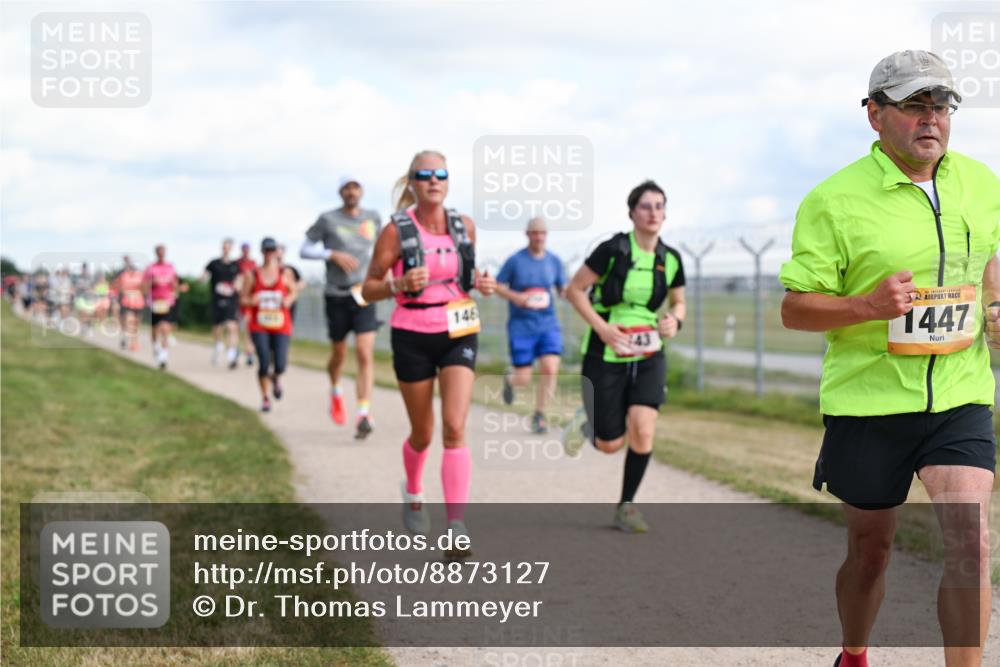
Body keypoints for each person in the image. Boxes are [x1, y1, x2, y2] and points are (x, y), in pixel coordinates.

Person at [779, 51, 1000, 667]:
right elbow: (795, 310)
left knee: (970, 540)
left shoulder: (982, 183)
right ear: (874, 114)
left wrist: (997, 303)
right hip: (869, 401)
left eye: (941, 105)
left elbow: (986, 253)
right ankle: (854, 651)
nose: (931, 118)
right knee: (871, 549)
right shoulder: (833, 201)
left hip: (960, 393)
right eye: (912, 105)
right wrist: (865, 306)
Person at [361, 150, 496, 556]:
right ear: (413, 182)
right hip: (412, 334)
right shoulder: (396, 231)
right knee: (424, 433)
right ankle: (414, 491)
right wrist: (397, 286)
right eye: (425, 175)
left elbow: (466, 279)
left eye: (441, 174)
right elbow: (367, 288)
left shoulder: (464, 226)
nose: (433, 180)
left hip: (459, 330)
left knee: (455, 426)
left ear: (448, 180)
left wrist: (482, 284)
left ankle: (456, 526)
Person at [563, 180, 686, 534]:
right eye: (646, 206)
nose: (653, 213)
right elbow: (574, 290)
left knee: (644, 430)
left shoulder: (671, 258)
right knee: (609, 444)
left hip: (649, 353)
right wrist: (603, 329)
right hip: (606, 350)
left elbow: (679, 302)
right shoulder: (612, 249)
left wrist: (674, 320)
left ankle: (627, 506)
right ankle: (587, 425)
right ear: (632, 212)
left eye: (659, 206)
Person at [301, 176, 382, 439]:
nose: (351, 192)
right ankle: (336, 389)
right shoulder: (327, 219)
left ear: (362, 191)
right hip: (336, 294)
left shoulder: (372, 218)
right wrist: (330, 254)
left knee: (364, 351)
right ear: (340, 192)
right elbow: (304, 249)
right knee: (339, 355)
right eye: (347, 187)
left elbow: (384, 249)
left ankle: (363, 413)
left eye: (356, 187)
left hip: (363, 293)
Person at [496, 217, 567, 433]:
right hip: (521, 326)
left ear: (547, 235)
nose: (539, 237)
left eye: (542, 233)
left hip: (547, 324)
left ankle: (539, 415)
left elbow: (563, 288)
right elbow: (498, 285)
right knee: (523, 378)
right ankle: (510, 380)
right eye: (535, 233)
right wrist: (515, 297)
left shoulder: (554, 261)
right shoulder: (515, 261)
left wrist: (572, 294)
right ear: (527, 235)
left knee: (550, 368)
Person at [241, 237, 299, 413]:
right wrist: (252, 300)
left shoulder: (285, 273)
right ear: (262, 252)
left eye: (272, 250)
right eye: (266, 250)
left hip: (281, 325)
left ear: (276, 252)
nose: (269, 254)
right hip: (260, 326)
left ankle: (276, 378)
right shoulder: (253, 275)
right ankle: (265, 398)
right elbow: (243, 299)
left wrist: (288, 300)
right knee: (264, 362)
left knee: (280, 364)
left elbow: (294, 291)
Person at [201, 238, 243, 369]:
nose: (226, 248)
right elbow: (204, 274)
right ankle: (218, 344)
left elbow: (240, 278)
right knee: (217, 328)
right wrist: (201, 278)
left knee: (232, 326)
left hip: (231, 300)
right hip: (216, 300)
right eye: (224, 246)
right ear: (222, 247)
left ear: (231, 248)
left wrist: (238, 285)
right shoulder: (214, 263)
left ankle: (231, 355)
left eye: (228, 246)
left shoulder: (235, 265)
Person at [142, 244, 180, 369]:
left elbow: (175, 284)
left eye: (163, 252)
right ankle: (156, 347)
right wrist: (154, 282)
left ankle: (164, 356)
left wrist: (175, 292)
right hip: (154, 302)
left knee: (165, 328)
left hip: (167, 302)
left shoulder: (170, 267)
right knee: (154, 330)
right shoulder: (150, 268)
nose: (161, 254)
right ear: (156, 253)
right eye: (159, 252)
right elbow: (144, 286)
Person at [237, 242, 258, 366]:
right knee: (236, 327)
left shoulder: (253, 264)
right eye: (244, 249)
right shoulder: (237, 264)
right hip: (238, 300)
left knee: (248, 327)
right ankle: (237, 349)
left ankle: (249, 353)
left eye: (247, 249)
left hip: (249, 300)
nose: (245, 251)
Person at [276, 244, 306, 323]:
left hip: (289, 303)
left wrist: (293, 288)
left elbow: (302, 283)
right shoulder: (268, 270)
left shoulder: (290, 269)